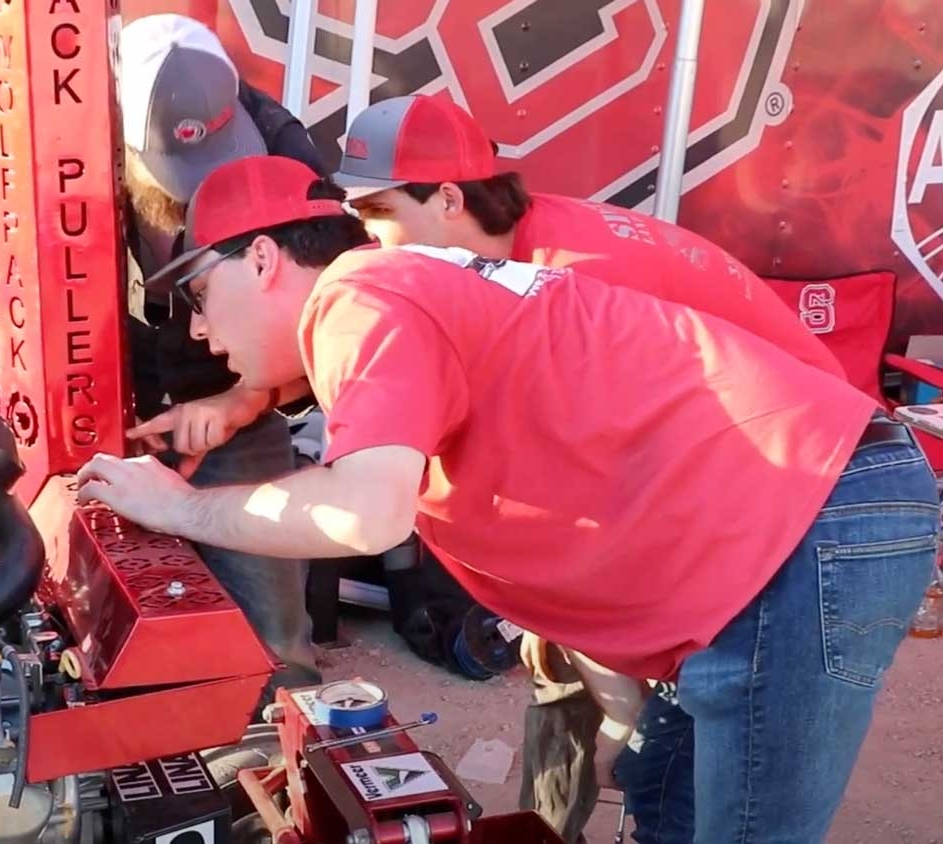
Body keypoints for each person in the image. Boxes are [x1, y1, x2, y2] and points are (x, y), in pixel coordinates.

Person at [75, 155, 939, 844]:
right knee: (667, 804)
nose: (193, 329)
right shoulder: (406, 291)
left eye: (194, 295)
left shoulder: (354, 298)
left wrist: (182, 512)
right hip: (785, 526)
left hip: (808, 516)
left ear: (262, 259)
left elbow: (365, 513)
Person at [326, 92, 855, 843]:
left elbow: (588, 521)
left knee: (692, 750)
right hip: (754, 453)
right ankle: (567, 813)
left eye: (377, 215)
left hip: (797, 473)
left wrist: (619, 698)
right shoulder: (521, 245)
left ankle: (572, 809)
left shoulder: (565, 273)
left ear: (446, 197)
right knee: (588, 678)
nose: (372, 244)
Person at [0, 13, 325, 696]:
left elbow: (322, 333)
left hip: (238, 422)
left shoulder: (290, 161)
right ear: (117, 133)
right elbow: (1, 302)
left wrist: (241, 400)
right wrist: (72, 407)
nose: (196, 186)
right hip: (96, 428)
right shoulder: (60, 148)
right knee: (98, 641)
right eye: (172, 168)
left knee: (277, 647)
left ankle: (286, 776)